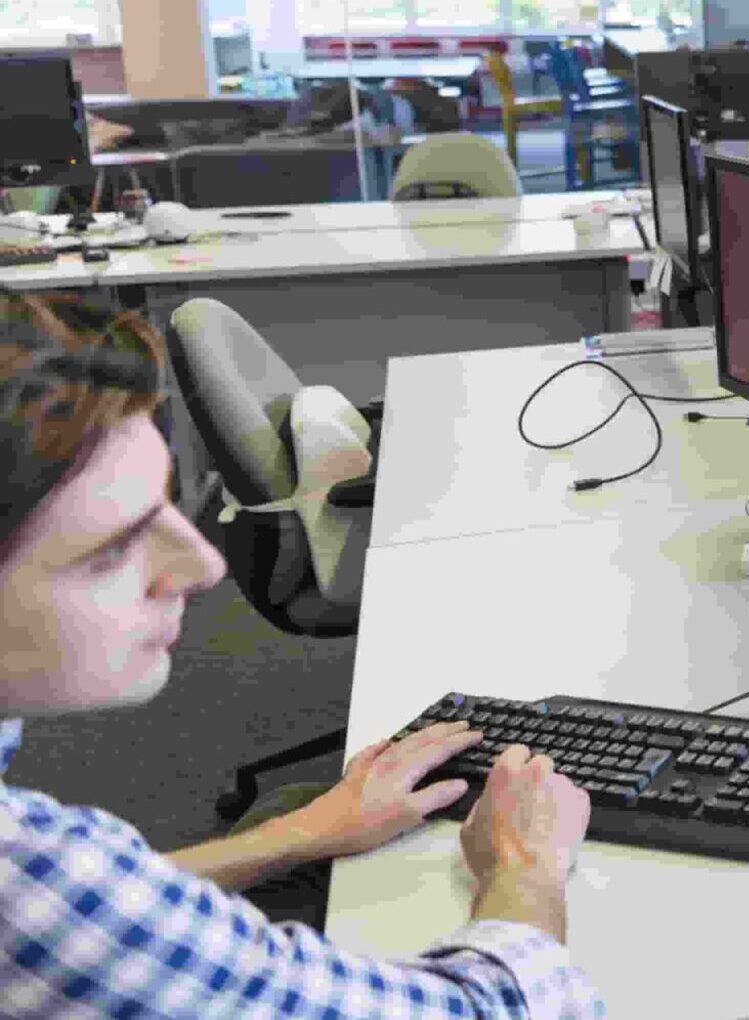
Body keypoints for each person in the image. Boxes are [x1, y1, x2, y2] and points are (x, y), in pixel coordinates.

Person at [0, 293, 604, 1018]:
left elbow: (96, 902)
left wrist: (304, 831)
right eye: (111, 547)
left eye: (162, 503)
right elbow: (496, 1009)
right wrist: (525, 868)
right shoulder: (26, 875)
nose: (203, 566)